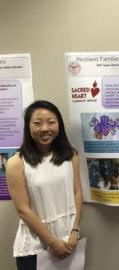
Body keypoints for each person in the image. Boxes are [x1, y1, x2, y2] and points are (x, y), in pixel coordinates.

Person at [6, 100, 83, 270]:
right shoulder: (16, 163)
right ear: (28, 127)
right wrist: (52, 242)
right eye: (37, 123)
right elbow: (23, 210)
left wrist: (75, 231)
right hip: (36, 245)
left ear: (59, 125)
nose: (45, 128)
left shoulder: (71, 155)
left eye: (51, 122)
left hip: (69, 239)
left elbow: (77, 192)